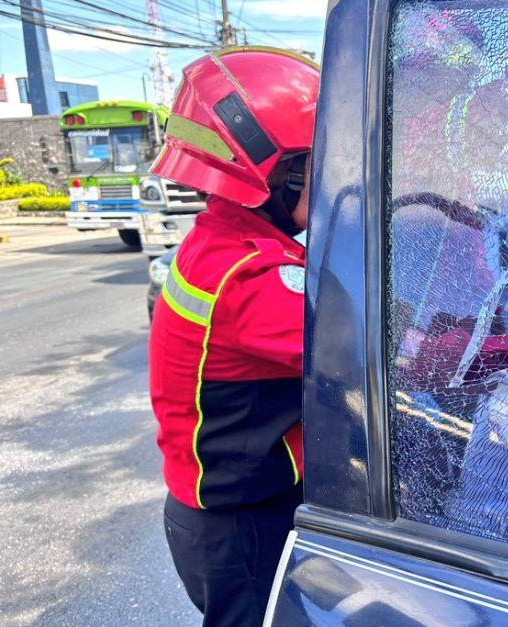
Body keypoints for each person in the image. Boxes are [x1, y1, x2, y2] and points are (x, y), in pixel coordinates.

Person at [148, 46, 319, 626]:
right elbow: (379, 355)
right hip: (238, 523)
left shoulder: (226, 236)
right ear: (273, 174)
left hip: (232, 502)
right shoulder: (249, 276)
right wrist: (502, 350)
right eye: (315, 165)